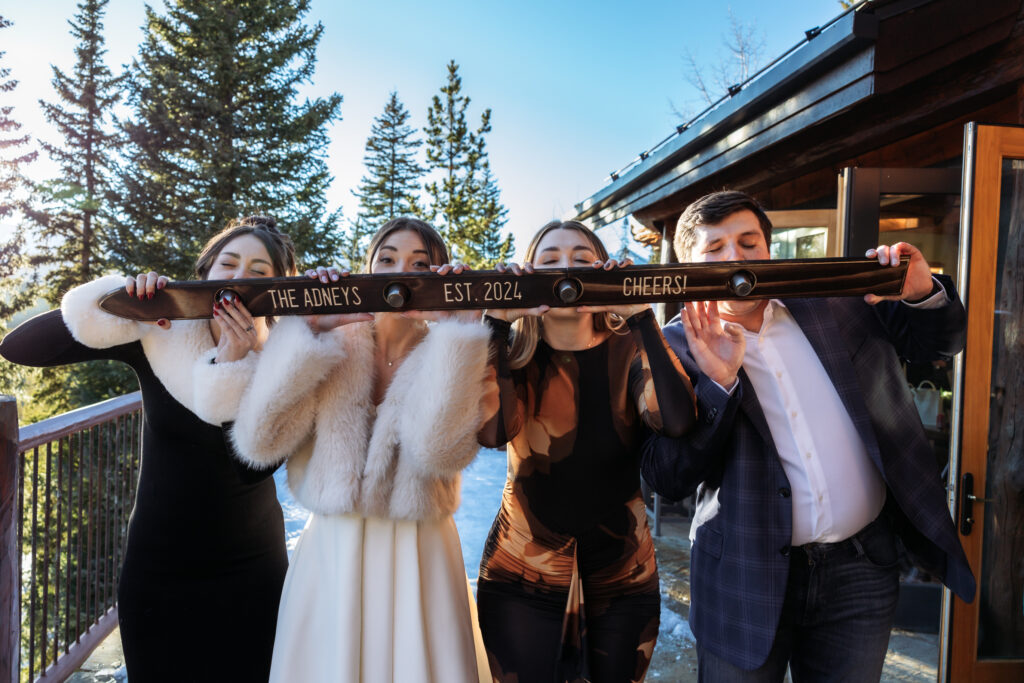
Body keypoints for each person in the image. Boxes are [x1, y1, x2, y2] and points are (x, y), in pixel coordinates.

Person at [640, 191, 976, 681]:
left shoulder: (835, 302)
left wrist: (924, 293)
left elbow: (939, 344)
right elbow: (665, 477)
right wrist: (720, 385)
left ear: (769, 250)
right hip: (742, 578)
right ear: (689, 267)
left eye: (748, 242)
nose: (735, 257)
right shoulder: (671, 349)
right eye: (714, 250)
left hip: (861, 569)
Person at [0, 216, 297, 681]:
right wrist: (118, 301)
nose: (240, 280)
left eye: (259, 273)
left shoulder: (286, 356)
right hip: (159, 570)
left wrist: (233, 363)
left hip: (251, 573)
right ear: (204, 275)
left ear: (278, 288)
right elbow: (20, 346)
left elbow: (254, 467)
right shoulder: (160, 335)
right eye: (229, 264)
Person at [229, 217, 492, 683]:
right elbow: (260, 440)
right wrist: (305, 334)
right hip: (335, 549)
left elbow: (439, 453)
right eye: (386, 258)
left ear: (440, 276)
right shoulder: (331, 341)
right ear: (367, 266)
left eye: (420, 263)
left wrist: (458, 336)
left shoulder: (454, 347)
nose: (399, 271)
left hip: (420, 551)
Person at [476, 220, 697, 683]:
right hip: (523, 574)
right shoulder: (514, 355)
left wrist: (640, 316)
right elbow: (492, 432)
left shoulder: (630, 348)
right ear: (530, 273)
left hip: (622, 576)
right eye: (550, 259)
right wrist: (495, 323)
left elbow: (675, 420)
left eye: (581, 258)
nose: (566, 271)